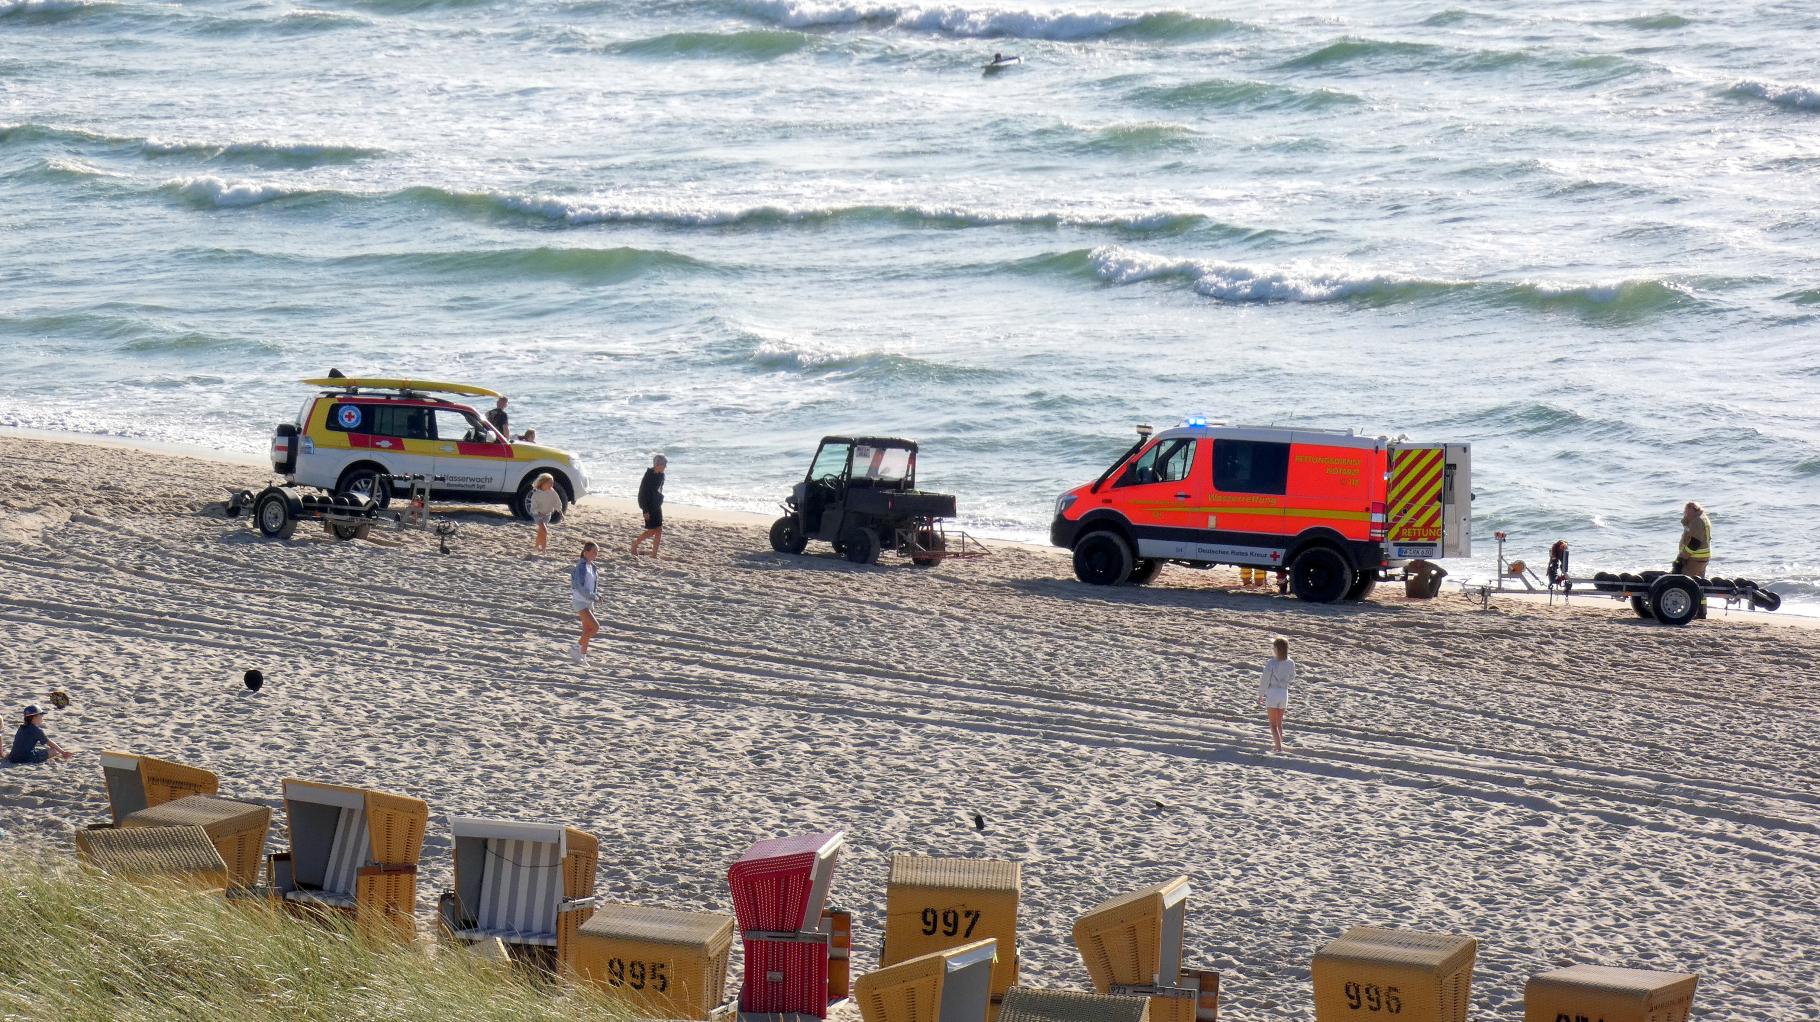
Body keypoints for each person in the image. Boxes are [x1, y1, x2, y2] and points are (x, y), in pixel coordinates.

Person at [1256, 637, 1295, 754]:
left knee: (1273, 725)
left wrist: (1260, 694)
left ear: (1277, 649)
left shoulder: (1271, 663)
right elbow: (1292, 678)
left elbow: (1265, 680)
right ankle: (1279, 744)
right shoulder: (1290, 662)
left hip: (1273, 693)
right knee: (1279, 723)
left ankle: (1278, 747)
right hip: (1284, 693)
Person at [631, 454, 667, 558]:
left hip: (657, 506)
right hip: (648, 507)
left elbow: (659, 490)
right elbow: (642, 494)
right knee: (652, 531)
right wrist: (645, 510)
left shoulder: (662, 475)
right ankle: (635, 544)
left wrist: (660, 499)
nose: (665, 467)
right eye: (664, 465)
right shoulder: (648, 476)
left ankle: (654, 555)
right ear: (657, 465)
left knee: (659, 530)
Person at [569, 542, 599, 663]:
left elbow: (592, 586)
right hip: (580, 601)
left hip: (588, 602)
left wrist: (596, 596)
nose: (595, 555)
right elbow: (578, 585)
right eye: (593, 552)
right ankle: (575, 648)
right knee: (595, 627)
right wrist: (593, 596)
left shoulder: (593, 567)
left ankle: (582, 657)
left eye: (597, 552)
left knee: (587, 630)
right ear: (586, 552)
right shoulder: (581, 567)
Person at [529, 474, 562, 553]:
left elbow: (557, 502)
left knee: (541, 532)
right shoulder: (536, 494)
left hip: (547, 515)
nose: (551, 485)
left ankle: (536, 548)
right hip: (537, 515)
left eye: (552, 483)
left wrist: (560, 512)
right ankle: (544, 551)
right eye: (550, 483)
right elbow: (533, 507)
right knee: (544, 531)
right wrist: (538, 512)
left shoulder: (552, 492)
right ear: (543, 483)